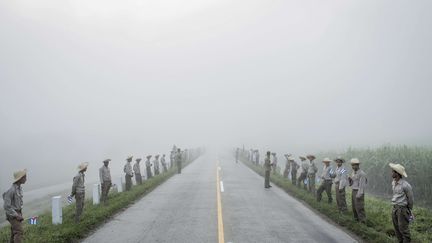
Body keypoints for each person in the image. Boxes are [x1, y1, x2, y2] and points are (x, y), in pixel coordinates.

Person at [389, 163, 414, 243]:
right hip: (395, 208)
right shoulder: (393, 183)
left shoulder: (406, 185)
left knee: (403, 229)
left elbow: (410, 199)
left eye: (393, 171)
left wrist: (408, 210)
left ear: (397, 173)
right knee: (397, 229)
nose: (391, 173)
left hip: (402, 210)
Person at [3, 169, 27, 243]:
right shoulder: (11, 190)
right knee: (19, 231)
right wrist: (16, 215)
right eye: (24, 177)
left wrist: (19, 213)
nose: (26, 178)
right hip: (12, 214)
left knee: (14, 232)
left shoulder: (19, 188)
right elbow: (7, 206)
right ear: (20, 179)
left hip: (18, 212)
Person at [348, 158, 367, 223]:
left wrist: (359, 195)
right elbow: (352, 183)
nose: (353, 167)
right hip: (354, 190)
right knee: (354, 207)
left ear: (358, 165)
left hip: (358, 192)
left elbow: (362, 186)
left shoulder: (362, 174)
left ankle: (362, 221)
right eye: (352, 165)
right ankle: (356, 220)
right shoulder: (353, 172)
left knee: (359, 207)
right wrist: (350, 180)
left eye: (355, 165)